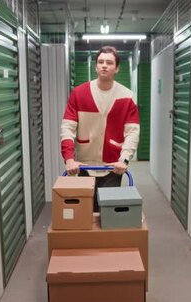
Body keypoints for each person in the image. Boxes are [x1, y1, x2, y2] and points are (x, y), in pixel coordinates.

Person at [60, 46, 140, 211]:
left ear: (116, 68)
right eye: (101, 62)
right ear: (95, 66)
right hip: (83, 165)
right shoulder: (79, 94)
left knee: (108, 213)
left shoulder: (127, 97)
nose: (104, 65)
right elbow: (67, 128)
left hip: (112, 166)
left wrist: (124, 159)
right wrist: (69, 158)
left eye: (109, 62)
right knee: (84, 213)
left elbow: (132, 132)